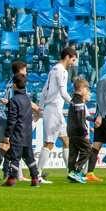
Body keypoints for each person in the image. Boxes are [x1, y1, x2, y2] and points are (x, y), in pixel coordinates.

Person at [37, 47, 78, 182]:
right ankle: (37, 174)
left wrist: (40, 108)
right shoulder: (62, 71)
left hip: (54, 109)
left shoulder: (53, 69)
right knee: (49, 142)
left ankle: (71, 172)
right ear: (67, 57)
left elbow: (44, 90)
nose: (73, 63)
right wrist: (74, 103)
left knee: (66, 140)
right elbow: (63, 92)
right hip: (54, 109)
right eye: (73, 59)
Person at [2, 73, 42, 187]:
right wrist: (9, 104)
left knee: (15, 157)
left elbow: (12, 119)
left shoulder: (14, 100)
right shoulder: (27, 99)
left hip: (17, 133)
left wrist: (7, 135)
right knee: (29, 157)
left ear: (14, 85)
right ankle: (35, 178)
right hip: (27, 132)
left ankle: (11, 179)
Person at [66, 79, 92, 184]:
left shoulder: (73, 100)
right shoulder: (79, 102)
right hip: (79, 131)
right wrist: (85, 132)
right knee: (87, 150)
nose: (87, 91)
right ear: (81, 89)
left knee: (73, 152)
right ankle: (76, 171)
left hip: (71, 131)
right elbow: (80, 119)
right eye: (86, 89)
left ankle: (71, 172)